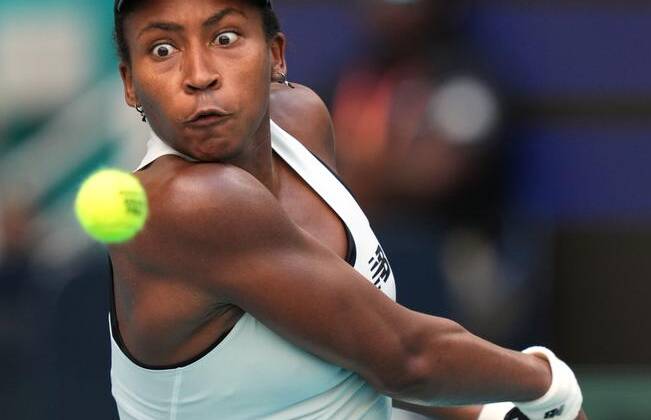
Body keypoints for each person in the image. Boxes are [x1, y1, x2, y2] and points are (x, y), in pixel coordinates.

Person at [109, 1, 587, 419]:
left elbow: (354, 348)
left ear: (276, 55)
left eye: (225, 37)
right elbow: (405, 356)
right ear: (131, 85)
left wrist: (486, 413)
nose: (199, 75)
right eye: (163, 50)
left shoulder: (303, 120)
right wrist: (547, 383)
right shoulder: (188, 204)